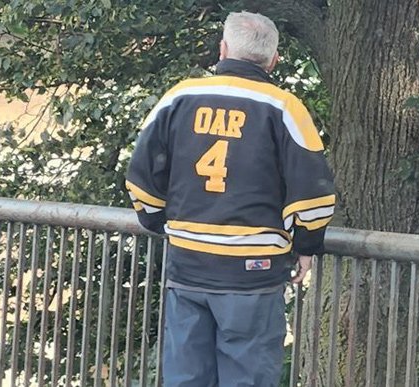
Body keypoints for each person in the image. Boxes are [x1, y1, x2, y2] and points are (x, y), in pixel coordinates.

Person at [125, 11, 335, 387]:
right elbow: (314, 193)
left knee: (185, 377)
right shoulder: (285, 107)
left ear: (222, 49)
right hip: (251, 274)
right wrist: (307, 245)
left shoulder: (180, 97)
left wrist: (160, 222)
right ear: (274, 60)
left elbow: (141, 179)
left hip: (187, 266)